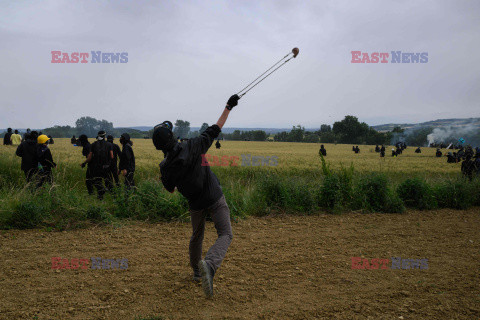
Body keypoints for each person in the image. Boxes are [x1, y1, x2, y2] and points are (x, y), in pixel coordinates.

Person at [152, 94, 239, 298]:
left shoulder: (165, 168)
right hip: (214, 196)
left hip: (195, 203)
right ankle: (209, 265)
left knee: (197, 235)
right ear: (173, 137)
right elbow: (216, 128)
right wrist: (228, 106)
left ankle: (198, 273)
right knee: (226, 233)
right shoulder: (193, 145)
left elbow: (170, 189)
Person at [83, 131, 113, 200]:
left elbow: (90, 157)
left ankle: (100, 197)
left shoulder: (93, 144)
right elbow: (112, 156)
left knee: (98, 181)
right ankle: (113, 195)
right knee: (108, 180)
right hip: (106, 166)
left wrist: (84, 163)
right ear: (104, 136)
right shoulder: (109, 144)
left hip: (96, 166)